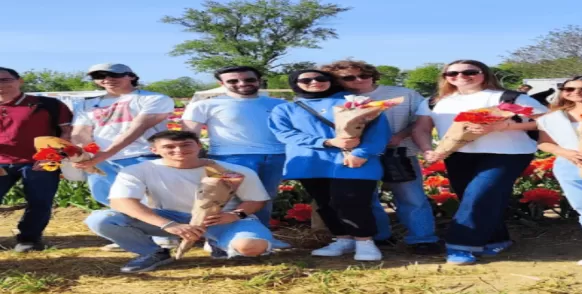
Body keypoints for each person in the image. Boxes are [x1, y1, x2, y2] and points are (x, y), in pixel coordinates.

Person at [412, 60, 548, 265]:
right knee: (475, 197)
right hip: (457, 154)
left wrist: (502, 126)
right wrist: (427, 149)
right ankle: (497, 239)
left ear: (484, 73)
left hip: (508, 153)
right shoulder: (434, 101)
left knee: (480, 194)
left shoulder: (510, 97)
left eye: (470, 72)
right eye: (453, 74)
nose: (461, 76)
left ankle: (460, 245)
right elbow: (421, 128)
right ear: (445, 77)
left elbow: (545, 120)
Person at [85, 130, 274, 273]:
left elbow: (256, 200)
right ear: (154, 150)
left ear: (199, 145)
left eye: (186, 145)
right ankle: (152, 252)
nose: (179, 151)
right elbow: (121, 202)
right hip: (170, 217)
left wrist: (234, 215)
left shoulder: (232, 170)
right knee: (102, 219)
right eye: (169, 147)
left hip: (219, 219)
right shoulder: (138, 170)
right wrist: (168, 224)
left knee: (251, 247)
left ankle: (219, 241)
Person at [268, 69, 391, 261]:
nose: (314, 82)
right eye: (306, 79)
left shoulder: (356, 102)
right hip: (312, 162)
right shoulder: (285, 109)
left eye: (320, 78)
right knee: (325, 204)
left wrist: (362, 152)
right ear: (295, 83)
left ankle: (365, 241)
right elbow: (284, 133)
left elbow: (379, 130)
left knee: (352, 201)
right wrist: (326, 142)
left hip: (354, 160)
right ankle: (343, 239)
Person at [321, 60, 441, 254]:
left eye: (364, 75)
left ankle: (422, 238)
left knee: (411, 196)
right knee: (366, 199)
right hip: (356, 155)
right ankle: (379, 236)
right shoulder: (336, 99)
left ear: (373, 75)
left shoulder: (405, 94)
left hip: (398, 152)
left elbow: (423, 121)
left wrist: (400, 136)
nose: (358, 80)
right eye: (348, 78)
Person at [70, 63, 176, 250]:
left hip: (141, 155)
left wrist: (104, 154)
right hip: (102, 160)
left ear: (131, 76)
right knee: (111, 198)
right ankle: (130, 235)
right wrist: (80, 154)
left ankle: (165, 234)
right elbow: (81, 132)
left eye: (114, 74)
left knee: (149, 199)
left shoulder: (153, 98)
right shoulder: (86, 104)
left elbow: (137, 129)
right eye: (99, 76)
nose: (107, 79)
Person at [181, 66, 286, 233]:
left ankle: (261, 236)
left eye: (249, 79)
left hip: (275, 156)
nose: (242, 83)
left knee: (265, 198)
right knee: (227, 199)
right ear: (221, 83)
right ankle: (220, 237)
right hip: (230, 156)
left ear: (259, 81)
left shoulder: (279, 104)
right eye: (233, 81)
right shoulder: (204, 105)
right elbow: (188, 135)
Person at [0, 67, 72, 252]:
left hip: (39, 161)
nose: (1, 85)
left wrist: (55, 156)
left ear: (20, 81)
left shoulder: (47, 104)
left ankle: (29, 239)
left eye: (5, 80)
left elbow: (67, 131)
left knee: (40, 201)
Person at [536, 75, 582, 266]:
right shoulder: (553, 117)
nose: (576, 93)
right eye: (568, 89)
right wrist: (564, 152)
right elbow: (544, 142)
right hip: (571, 166)